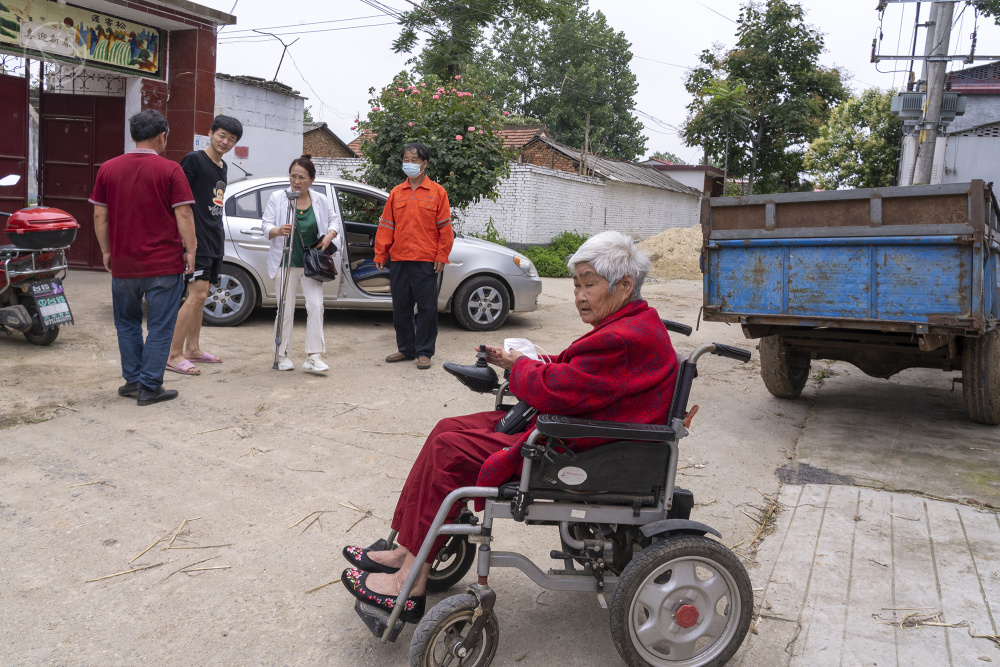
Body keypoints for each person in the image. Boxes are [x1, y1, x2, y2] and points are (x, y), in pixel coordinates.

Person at [340, 231, 679, 621]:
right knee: (445, 428)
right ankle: (408, 547)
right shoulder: (630, 324)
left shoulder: (624, 337)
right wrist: (516, 361)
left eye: (589, 284)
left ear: (624, 285)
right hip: (573, 431)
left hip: (575, 448)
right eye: (576, 285)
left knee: (448, 448)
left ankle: (409, 584)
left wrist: (521, 367)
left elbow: (562, 389)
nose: (579, 295)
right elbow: (580, 373)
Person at [89, 109, 197, 406]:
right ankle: (150, 386)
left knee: (127, 323)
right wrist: (191, 250)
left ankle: (133, 380)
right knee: (161, 325)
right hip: (163, 263)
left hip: (124, 263)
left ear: (133, 136)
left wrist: (106, 251)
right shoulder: (171, 170)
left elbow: (100, 214)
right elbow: (184, 213)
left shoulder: (108, 169)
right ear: (162, 136)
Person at [166, 115, 243, 376]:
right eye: (222, 135)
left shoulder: (222, 166)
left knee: (202, 296)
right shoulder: (194, 160)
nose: (225, 142)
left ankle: (194, 349)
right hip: (196, 239)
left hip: (214, 238)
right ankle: (173, 355)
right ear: (210, 133)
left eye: (231, 139)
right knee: (195, 295)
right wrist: (188, 241)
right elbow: (178, 200)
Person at [374, 142, 454, 370]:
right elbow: (387, 226)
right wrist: (381, 253)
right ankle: (406, 348)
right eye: (406, 160)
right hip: (399, 259)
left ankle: (424, 352)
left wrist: (441, 255)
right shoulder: (396, 193)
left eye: (414, 160)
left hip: (425, 260)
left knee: (427, 308)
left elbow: (445, 229)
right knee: (401, 307)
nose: (409, 164)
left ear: (424, 164)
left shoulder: (438, 193)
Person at [261, 154, 340, 372]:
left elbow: (334, 220)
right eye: (293, 176)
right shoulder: (278, 197)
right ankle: (282, 353)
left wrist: (329, 235)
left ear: (311, 180)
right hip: (284, 262)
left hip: (310, 264)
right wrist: (277, 231)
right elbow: (266, 224)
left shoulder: (320, 200)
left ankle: (313, 355)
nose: (296, 181)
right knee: (284, 309)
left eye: (302, 177)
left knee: (316, 306)